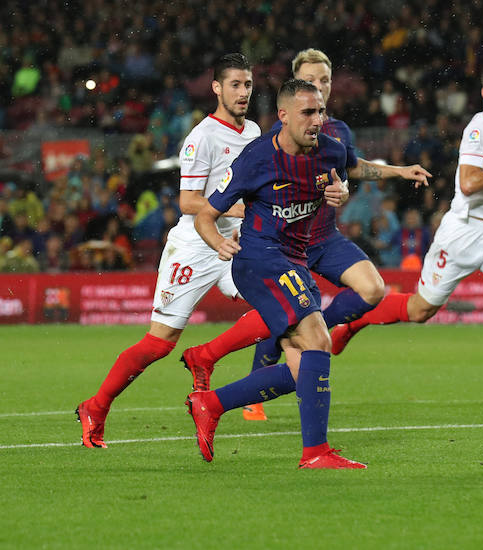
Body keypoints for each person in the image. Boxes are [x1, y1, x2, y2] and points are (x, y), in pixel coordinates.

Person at [179, 48, 431, 421]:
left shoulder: (336, 136)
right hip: (278, 246)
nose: (319, 87)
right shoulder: (271, 142)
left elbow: (348, 172)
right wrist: (227, 233)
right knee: (296, 338)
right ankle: (243, 388)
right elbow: (246, 192)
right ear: (293, 90)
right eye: (311, 81)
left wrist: (383, 176)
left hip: (322, 237)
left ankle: (233, 377)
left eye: (325, 81)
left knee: (369, 291)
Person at [330, 61, 483, 405]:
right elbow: (469, 182)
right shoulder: (480, 127)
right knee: (420, 310)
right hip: (461, 235)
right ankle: (354, 323)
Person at [75, 53, 266, 448]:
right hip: (195, 245)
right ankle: (96, 405)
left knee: (279, 310)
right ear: (216, 88)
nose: (243, 92)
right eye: (235, 84)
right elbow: (188, 201)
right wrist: (235, 207)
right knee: (159, 343)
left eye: (247, 85)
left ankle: (206, 356)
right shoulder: (201, 137)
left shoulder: (253, 132)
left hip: (235, 242)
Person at [188, 78, 365, 469]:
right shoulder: (257, 158)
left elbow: (340, 188)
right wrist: (217, 243)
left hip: (294, 261)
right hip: (257, 259)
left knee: (304, 368)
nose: (317, 120)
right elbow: (205, 215)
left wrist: (343, 195)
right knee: (319, 337)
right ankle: (315, 453)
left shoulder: (332, 153)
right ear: (283, 116)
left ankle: (211, 404)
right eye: (307, 112)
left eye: (320, 111)